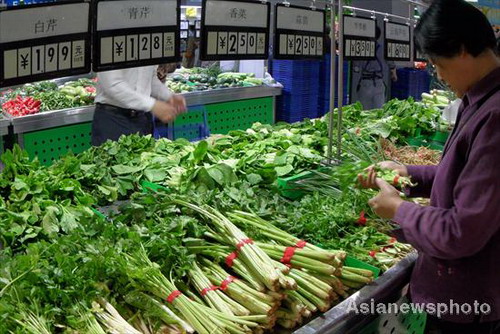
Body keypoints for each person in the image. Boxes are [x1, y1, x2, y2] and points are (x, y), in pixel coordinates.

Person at [359, 1, 500, 333]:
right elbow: (469, 179)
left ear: (462, 50)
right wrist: (409, 175)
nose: (438, 75)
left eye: (438, 64)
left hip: (469, 302)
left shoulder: (495, 116)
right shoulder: (479, 99)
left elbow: (461, 232)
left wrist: (397, 209)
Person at [92, 66, 186, 146]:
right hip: (113, 120)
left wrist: (168, 96)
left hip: (142, 119)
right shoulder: (108, 46)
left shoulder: (147, 47)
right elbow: (112, 85)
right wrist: (153, 105)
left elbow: (150, 78)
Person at [354, 25, 398, 110]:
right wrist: (394, 75)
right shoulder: (384, 49)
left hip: (365, 83)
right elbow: (392, 65)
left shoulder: (362, 48)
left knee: (365, 112)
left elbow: (356, 68)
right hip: (379, 83)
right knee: (379, 111)